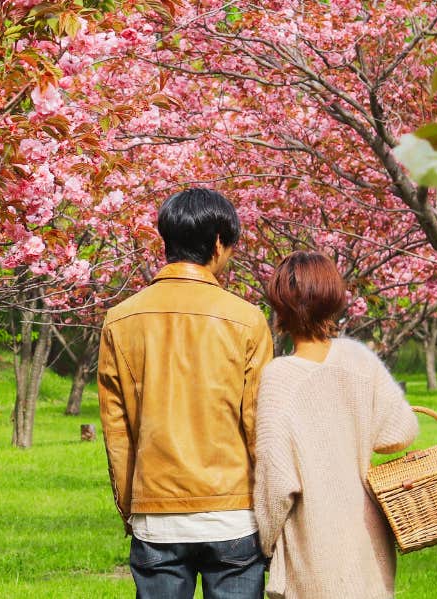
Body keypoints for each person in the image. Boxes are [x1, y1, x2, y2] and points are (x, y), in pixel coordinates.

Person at [98, 188, 274, 599]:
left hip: (156, 515)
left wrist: (132, 507)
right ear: (217, 242)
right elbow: (257, 427)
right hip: (232, 517)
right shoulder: (247, 320)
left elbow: (117, 432)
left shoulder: (120, 320)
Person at [253, 251, 419, 599]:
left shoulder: (279, 377)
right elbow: (401, 430)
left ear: (281, 308)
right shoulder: (359, 358)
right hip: (367, 540)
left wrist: (265, 544)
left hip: (313, 545)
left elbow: (275, 479)